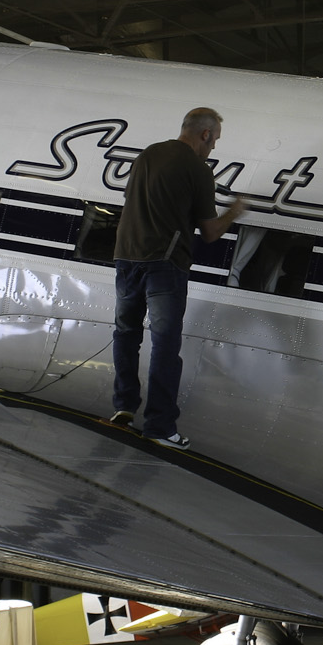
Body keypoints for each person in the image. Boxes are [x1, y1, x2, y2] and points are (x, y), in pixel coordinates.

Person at [110, 107, 245, 448]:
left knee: (126, 333)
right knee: (165, 345)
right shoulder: (197, 169)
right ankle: (160, 426)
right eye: (214, 141)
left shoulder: (148, 154)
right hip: (164, 264)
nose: (213, 148)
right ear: (204, 134)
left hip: (126, 257)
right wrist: (235, 210)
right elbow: (211, 232)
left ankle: (124, 406)